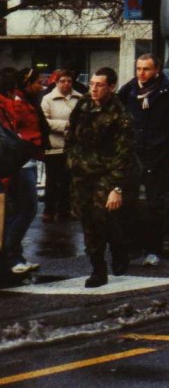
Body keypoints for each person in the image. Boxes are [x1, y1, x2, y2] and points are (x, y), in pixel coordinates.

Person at [66, 67, 137, 288]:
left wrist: (117, 187)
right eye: (92, 84)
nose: (94, 89)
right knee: (87, 218)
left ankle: (108, 261)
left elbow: (123, 153)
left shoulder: (120, 115)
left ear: (112, 87)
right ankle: (101, 261)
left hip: (106, 173)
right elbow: (72, 132)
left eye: (99, 85)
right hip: (82, 173)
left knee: (101, 218)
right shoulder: (84, 104)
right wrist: (71, 160)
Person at [117, 54, 169, 267]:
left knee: (154, 204)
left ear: (156, 70)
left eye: (146, 69)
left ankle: (153, 250)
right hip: (132, 153)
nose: (141, 73)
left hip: (157, 154)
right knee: (128, 201)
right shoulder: (128, 91)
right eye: (138, 68)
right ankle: (131, 247)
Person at [1, 68, 45, 278]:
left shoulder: (19, 102)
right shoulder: (12, 103)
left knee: (17, 210)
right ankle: (11, 256)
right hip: (18, 161)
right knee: (26, 209)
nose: (41, 86)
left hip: (22, 158)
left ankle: (14, 255)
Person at [41, 69, 82, 222]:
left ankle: (65, 209)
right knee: (52, 180)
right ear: (56, 82)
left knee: (69, 180)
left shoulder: (79, 98)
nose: (66, 84)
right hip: (55, 145)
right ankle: (49, 210)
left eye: (69, 81)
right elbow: (45, 121)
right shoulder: (47, 99)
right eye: (62, 81)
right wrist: (66, 125)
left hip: (74, 146)